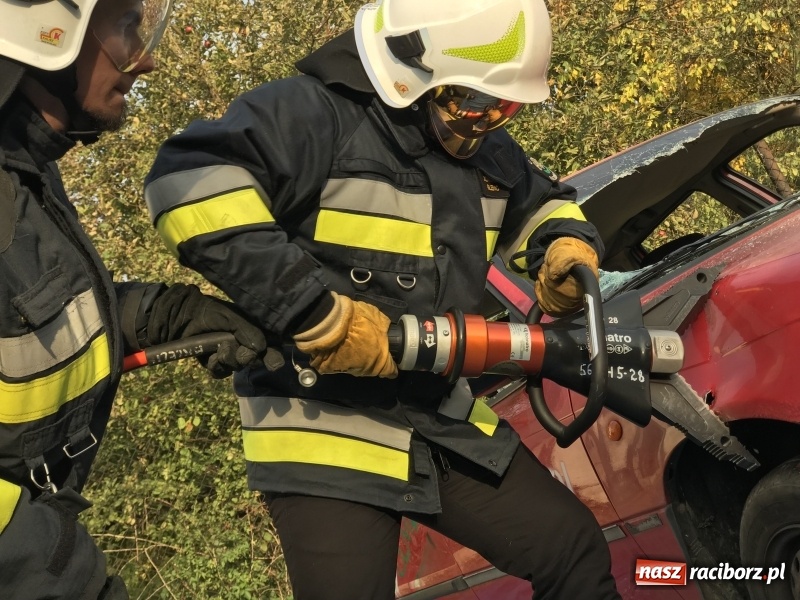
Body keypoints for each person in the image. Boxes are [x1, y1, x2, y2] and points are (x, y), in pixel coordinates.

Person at [143, 0, 619, 598]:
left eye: (505, 107)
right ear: (411, 73)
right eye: (472, 102)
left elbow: (543, 205)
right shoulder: (313, 115)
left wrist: (566, 247)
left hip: (437, 416)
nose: (484, 122)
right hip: (322, 424)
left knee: (571, 550)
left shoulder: (486, 153)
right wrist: (314, 314)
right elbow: (187, 183)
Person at [0, 0, 276, 597]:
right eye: (126, 27)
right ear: (44, 34)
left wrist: (163, 317)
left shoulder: (25, 174)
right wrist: (66, 577)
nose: (145, 61)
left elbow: (34, 317)